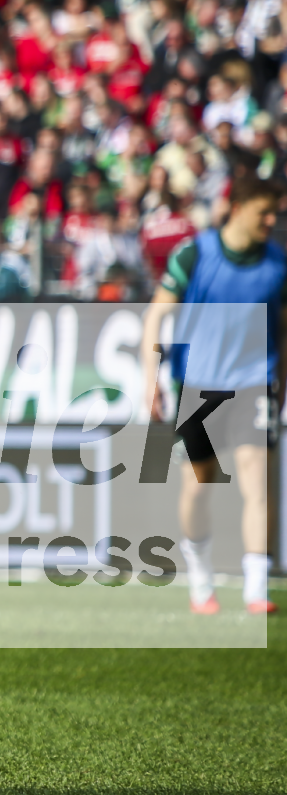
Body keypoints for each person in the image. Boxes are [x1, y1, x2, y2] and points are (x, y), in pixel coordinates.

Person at [139, 171, 283, 617]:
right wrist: (150, 379)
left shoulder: (278, 265)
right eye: (264, 212)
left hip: (255, 381)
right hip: (198, 385)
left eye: (276, 213)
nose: (272, 220)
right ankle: (200, 574)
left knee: (256, 477)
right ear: (237, 209)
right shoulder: (195, 253)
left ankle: (256, 588)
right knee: (199, 486)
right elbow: (156, 316)